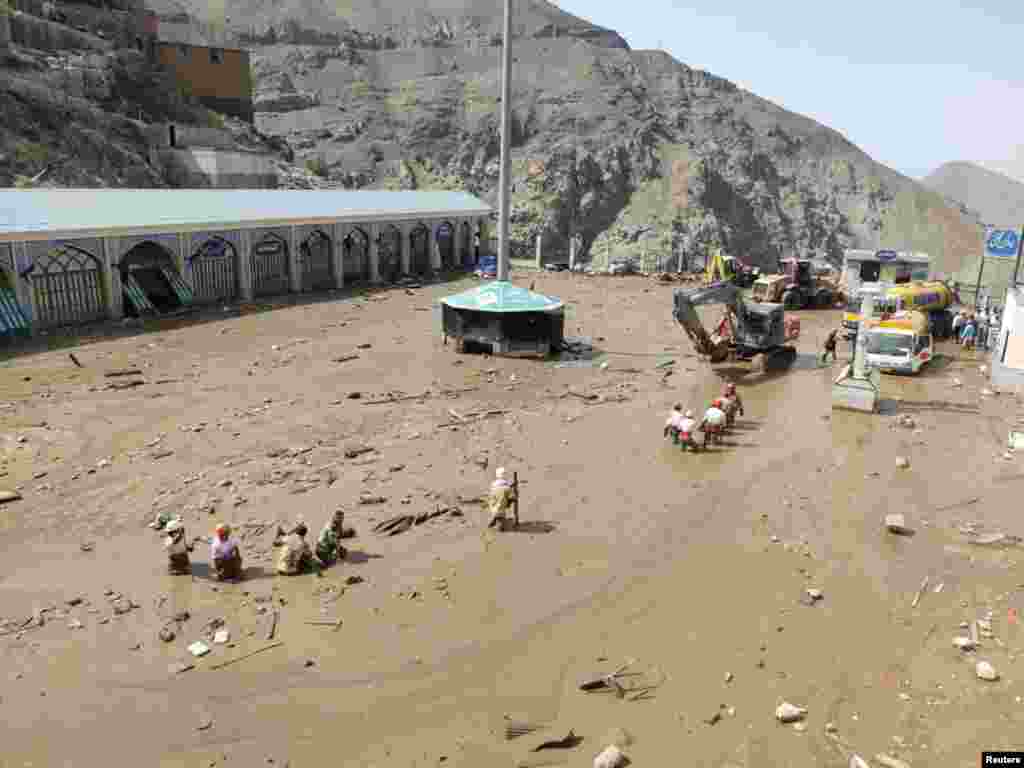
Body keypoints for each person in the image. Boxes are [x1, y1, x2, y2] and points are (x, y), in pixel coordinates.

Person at [486, 467, 517, 531]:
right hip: (501, 508)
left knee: (495, 512)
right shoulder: (507, 488)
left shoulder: (493, 486)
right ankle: (499, 524)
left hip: (493, 506)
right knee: (501, 520)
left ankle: (494, 519)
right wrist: (509, 503)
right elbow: (513, 497)